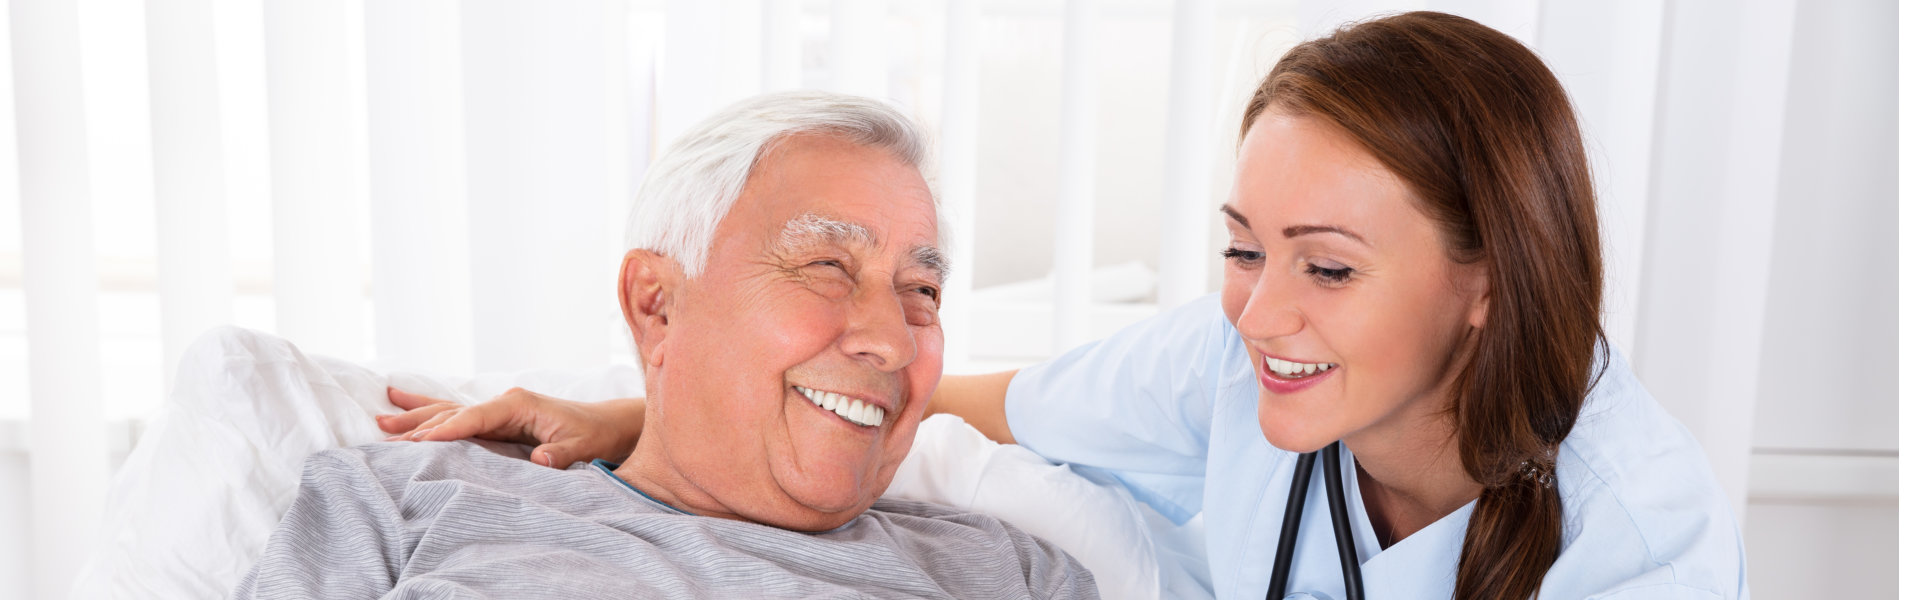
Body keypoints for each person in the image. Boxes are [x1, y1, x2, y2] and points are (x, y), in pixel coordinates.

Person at [383, 12, 1745, 599]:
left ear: (1482, 285)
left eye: (1327, 267)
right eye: (1239, 249)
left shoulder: (1637, 535)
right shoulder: (1234, 364)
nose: (1264, 315)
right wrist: (632, 411)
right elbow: (930, 400)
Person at [238, 91, 1098, 599]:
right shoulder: (402, 500)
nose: (889, 340)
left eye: (922, 291)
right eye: (828, 265)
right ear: (656, 305)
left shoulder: (1004, 571)